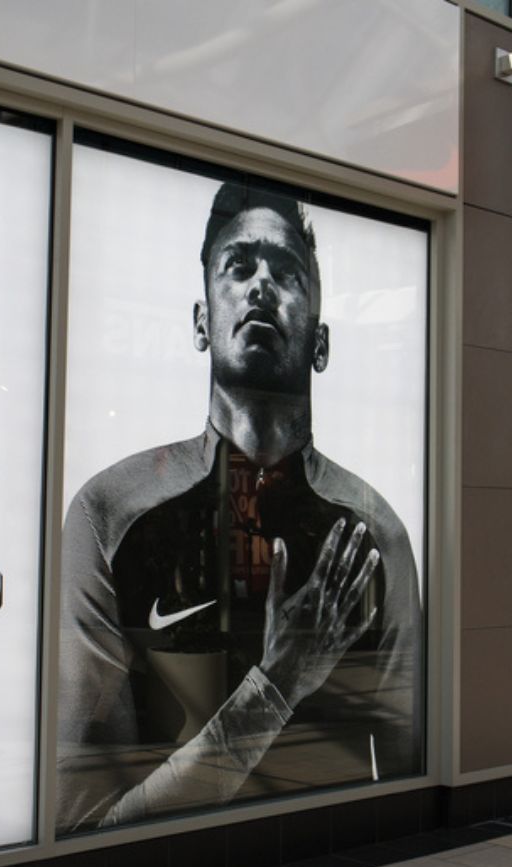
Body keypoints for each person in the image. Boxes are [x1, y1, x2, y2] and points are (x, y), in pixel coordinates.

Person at [55, 180, 422, 831]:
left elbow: (406, 780)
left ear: (321, 342)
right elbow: (84, 821)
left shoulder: (374, 531)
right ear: (202, 322)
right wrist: (278, 683)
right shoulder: (108, 512)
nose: (261, 287)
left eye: (286, 272)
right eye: (239, 266)